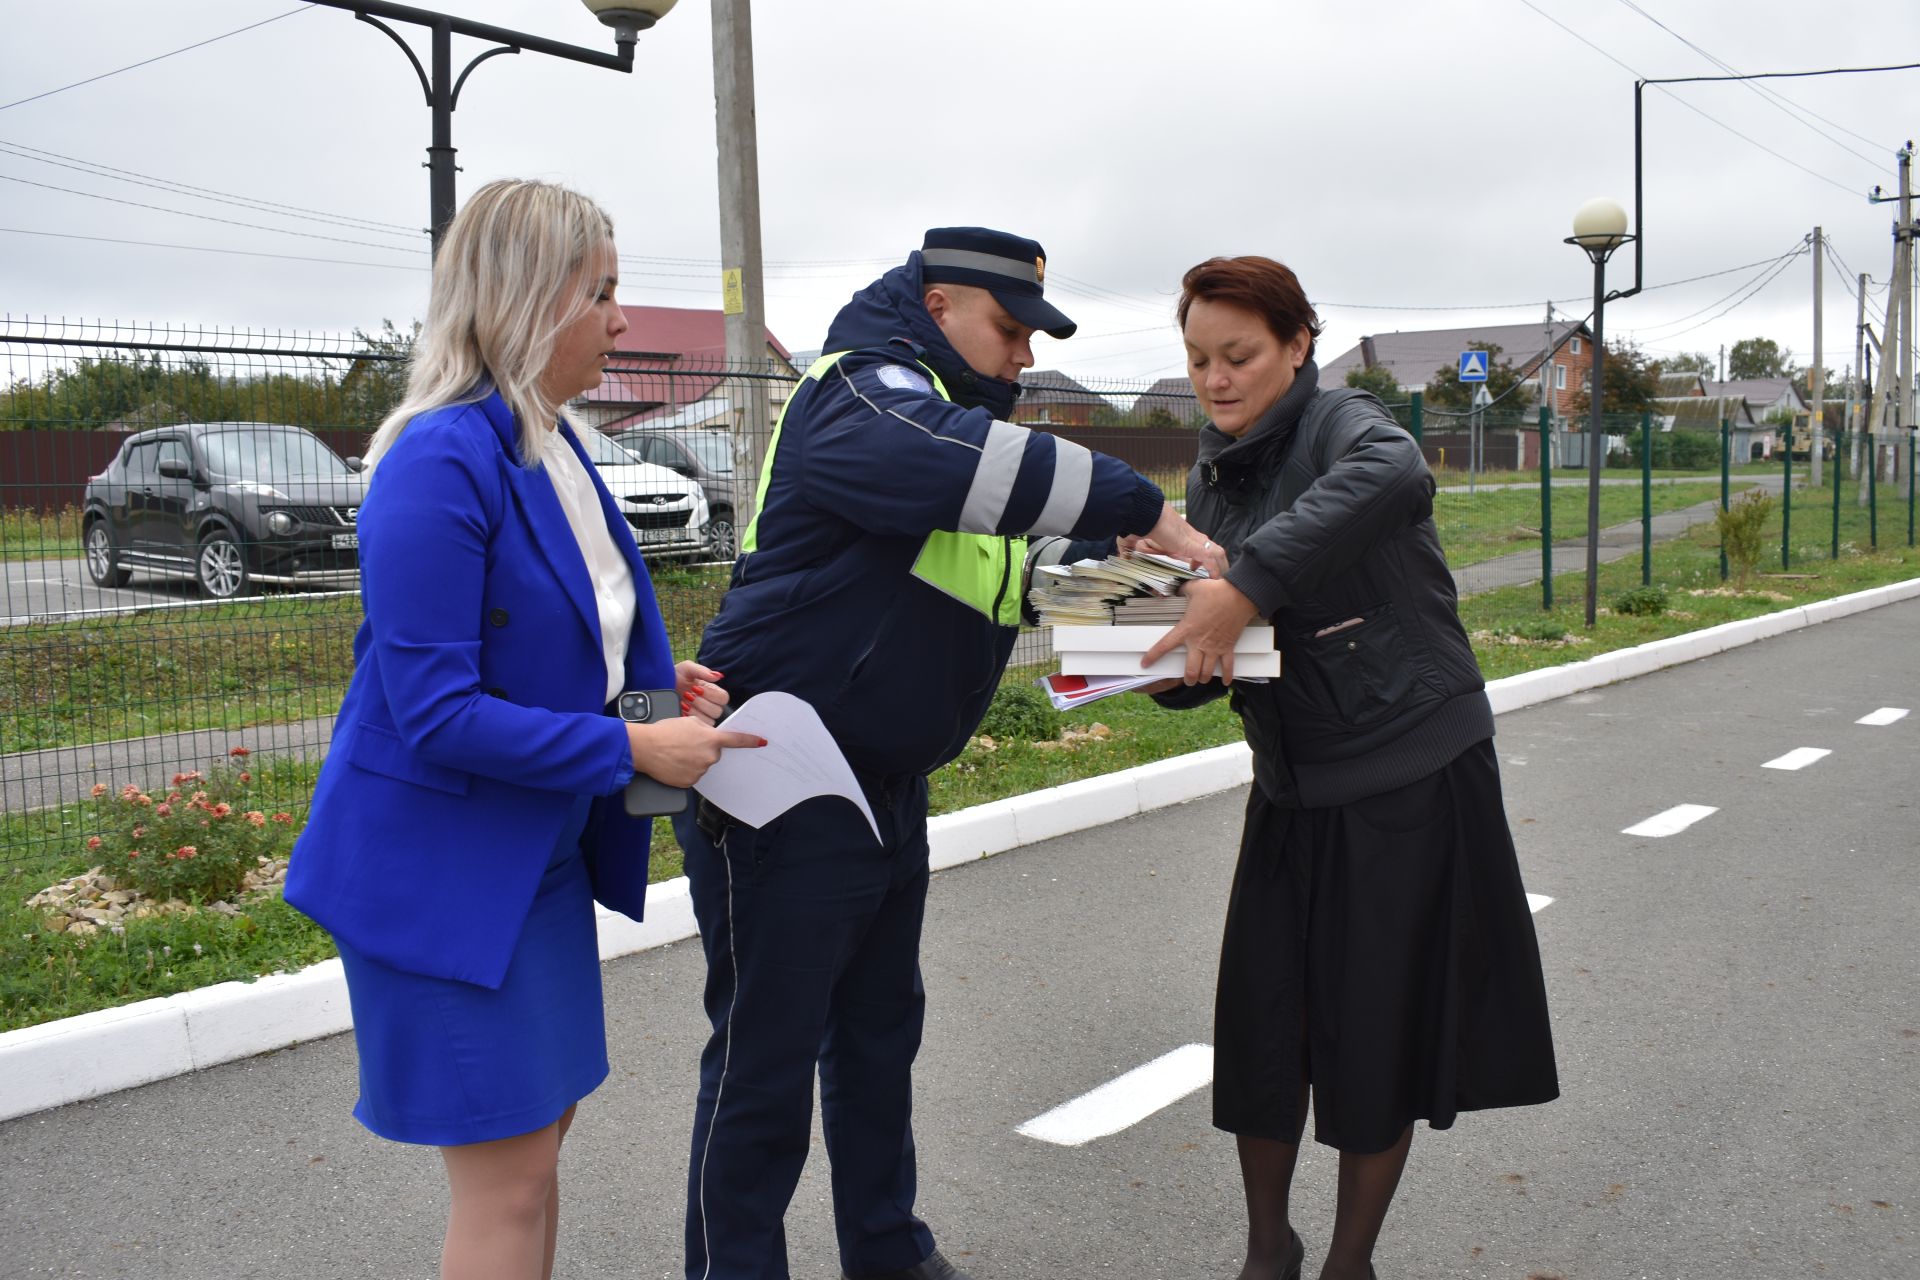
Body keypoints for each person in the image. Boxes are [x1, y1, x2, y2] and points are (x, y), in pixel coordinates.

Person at [670, 227, 1217, 1280]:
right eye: (1009, 330)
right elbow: (965, 470)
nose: (1021, 357)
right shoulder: (861, 396)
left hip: (879, 780)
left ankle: (887, 1251)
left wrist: (1202, 620)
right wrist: (1149, 507)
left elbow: (1026, 584)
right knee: (763, 1064)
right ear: (936, 306)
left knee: (878, 1038)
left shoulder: (953, 444)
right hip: (778, 775)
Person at [284, 178, 762, 1280]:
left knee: (538, 1149)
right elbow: (435, 710)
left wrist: (647, 686)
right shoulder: (436, 458)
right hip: (442, 882)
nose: (622, 318)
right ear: (526, 298)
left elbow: (562, 628)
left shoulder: (552, 441)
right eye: (600, 292)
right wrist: (631, 749)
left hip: (528, 859)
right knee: (505, 1179)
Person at [1135, 256, 1559, 1280]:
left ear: (1297, 346)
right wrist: (1153, 656)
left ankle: (1348, 1261)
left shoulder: (1344, 424)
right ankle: (1267, 1248)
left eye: (1239, 354)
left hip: (1408, 768)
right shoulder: (1210, 472)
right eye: (1198, 359)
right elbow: (1225, 644)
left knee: (1376, 1031)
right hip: (1293, 779)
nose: (1217, 378)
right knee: (1265, 1023)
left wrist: (1247, 586)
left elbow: (1396, 475)